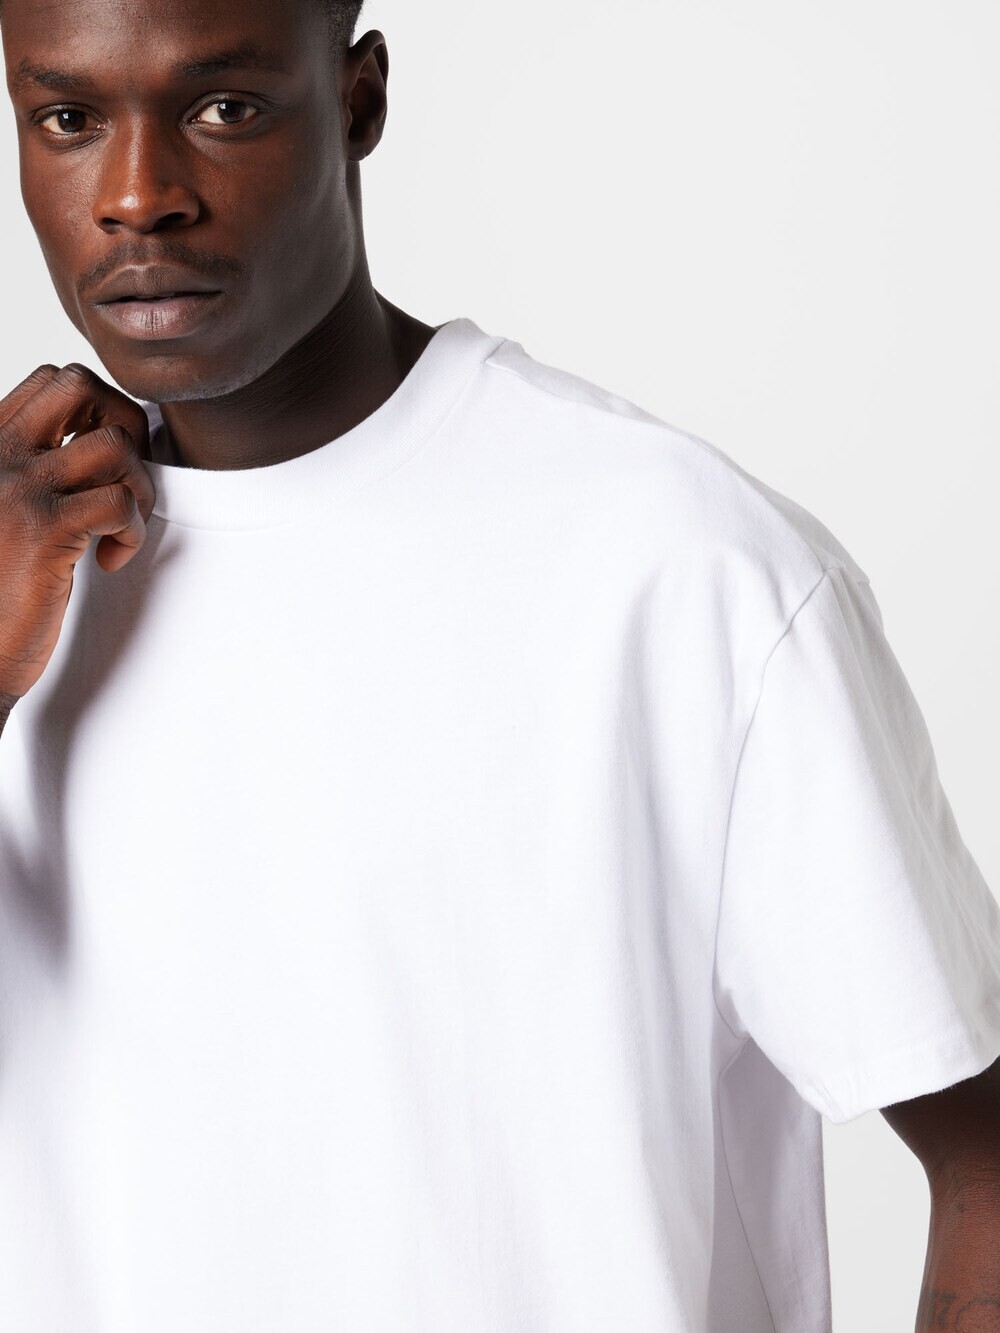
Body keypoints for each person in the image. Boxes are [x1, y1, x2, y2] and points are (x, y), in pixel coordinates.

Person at [0, 1, 997, 1329]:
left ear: (358, 100)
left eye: (224, 107)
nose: (138, 195)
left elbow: (982, 1154)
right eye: (68, 118)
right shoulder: (25, 580)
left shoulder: (679, 566)